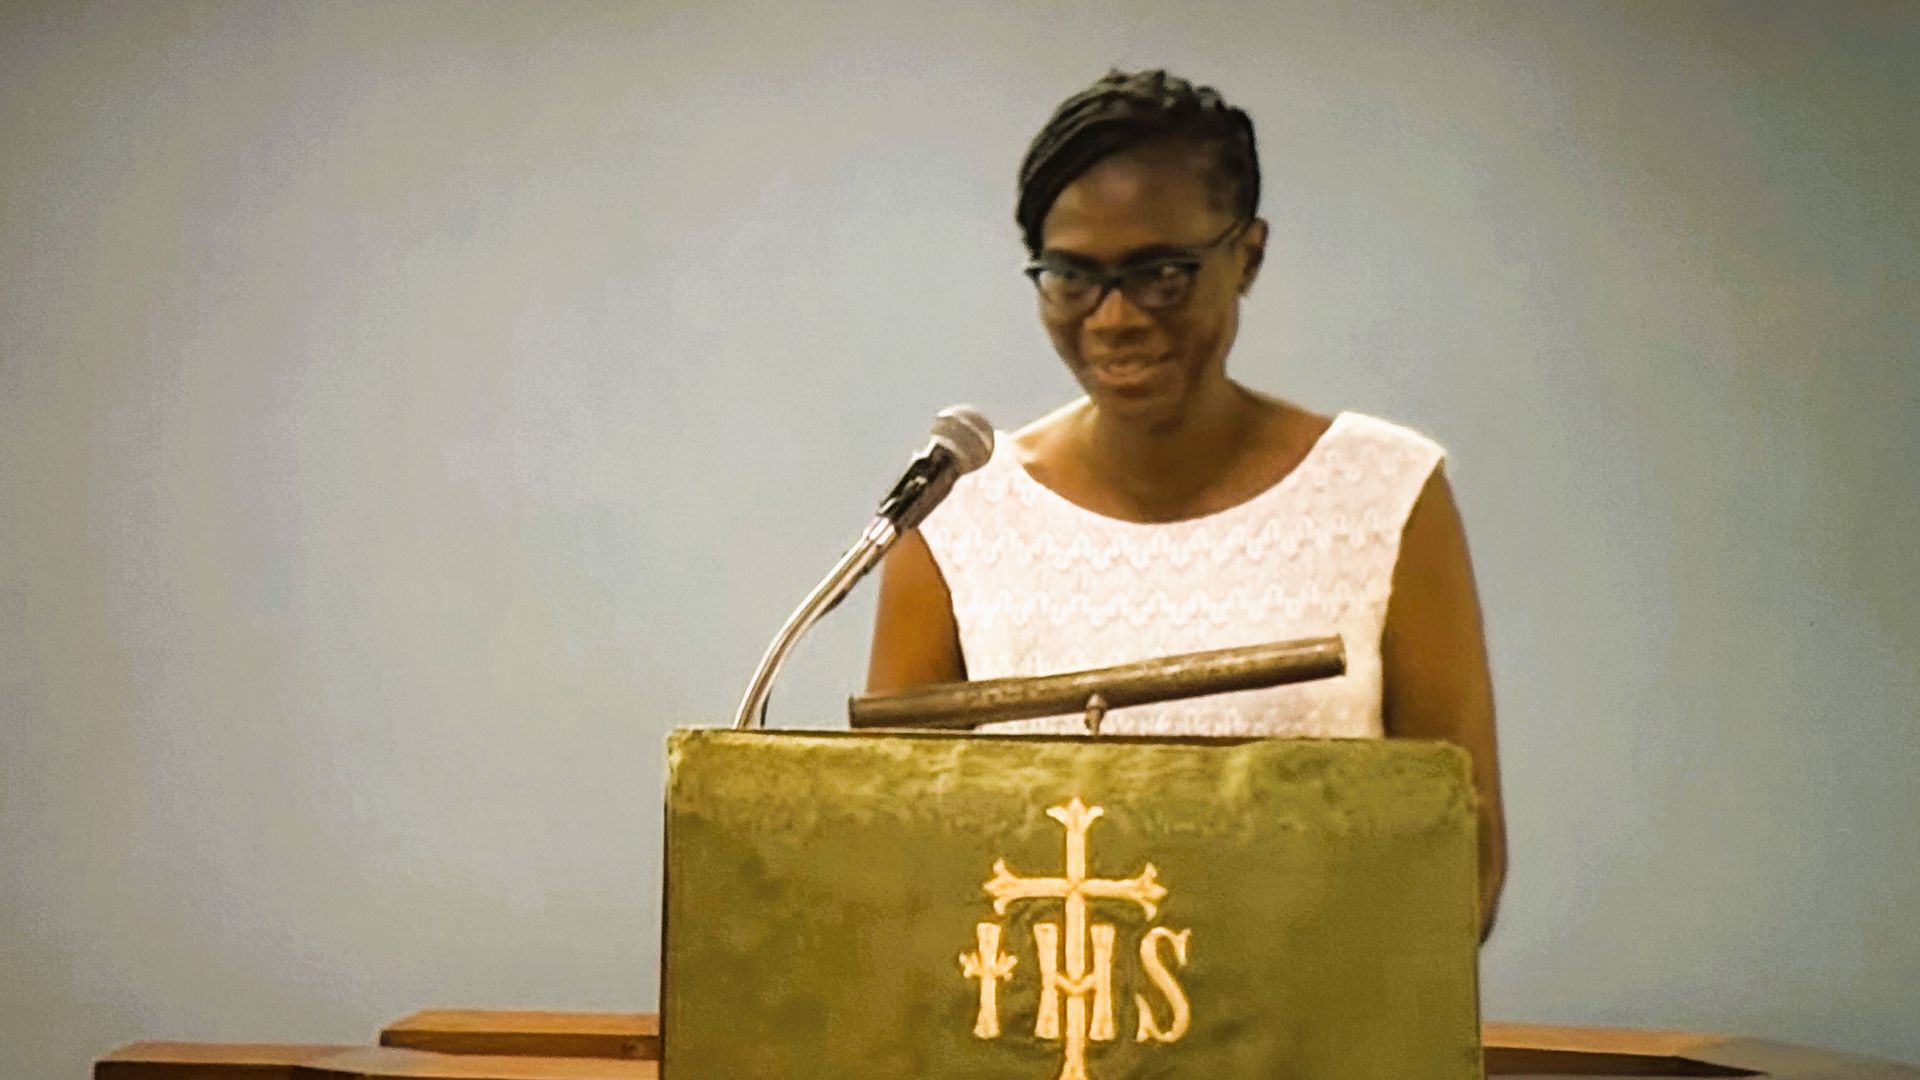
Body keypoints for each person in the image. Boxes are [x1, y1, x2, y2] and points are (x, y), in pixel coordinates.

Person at [866, 69, 1506, 938]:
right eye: (1072, 277)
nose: (1115, 317)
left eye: (1160, 274)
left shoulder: (1386, 497)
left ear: (1248, 254)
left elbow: (1462, 856)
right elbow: (889, 856)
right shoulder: (957, 516)